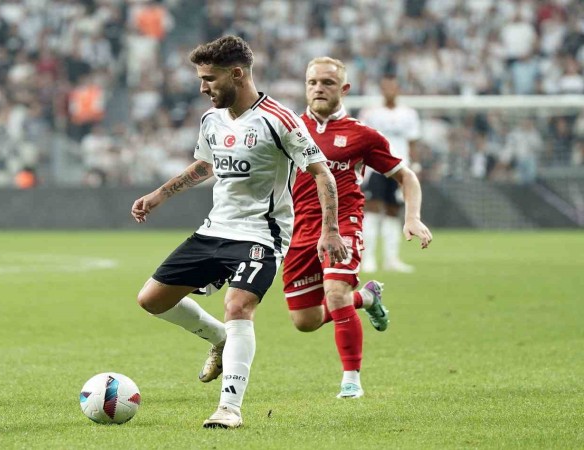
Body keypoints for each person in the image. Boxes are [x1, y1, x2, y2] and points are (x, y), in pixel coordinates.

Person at [131, 36, 347, 429]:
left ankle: (229, 408)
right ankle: (219, 338)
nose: (203, 87)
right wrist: (159, 195)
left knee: (238, 306)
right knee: (151, 300)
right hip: (215, 229)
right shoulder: (211, 120)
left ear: (236, 74)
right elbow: (205, 165)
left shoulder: (279, 120)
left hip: (261, 235)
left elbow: (322, 173)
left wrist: (330, 230)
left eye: (209, 79)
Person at [282, 57, 432, 399]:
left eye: (328, 82)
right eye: (312, 82)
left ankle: (351, 380)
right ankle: (366, 297)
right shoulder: (288, 129)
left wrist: (412, 217)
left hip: (344, 225)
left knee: (335, 294)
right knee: (305, 321)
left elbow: (406, 176)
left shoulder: (362, 135)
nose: (318, 88)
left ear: (344, 89)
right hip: (299, 230)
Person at [359, 74, 423, 273]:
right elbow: (362, 140)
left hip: (400, 169)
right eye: (385, 87)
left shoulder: (409, 114)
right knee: (371, 210)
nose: (389, 91)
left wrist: (415, 165)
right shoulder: (370, 113)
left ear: (398, 89)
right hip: (376, 168)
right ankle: (368, 258)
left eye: (392, 87)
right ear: (381, 90)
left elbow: (412, 142)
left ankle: (391, 259)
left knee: (393, 211)